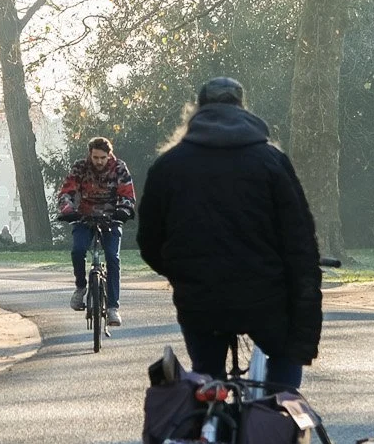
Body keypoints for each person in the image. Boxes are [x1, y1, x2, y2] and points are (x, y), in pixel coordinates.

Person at [137, 77, 320, 391]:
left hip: (200, 298)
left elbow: (149, 242)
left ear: (197, 110)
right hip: (266, 299)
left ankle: (209, 427)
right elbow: (299, 239)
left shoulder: (168, 166)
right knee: (285, 359)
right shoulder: (271, 162)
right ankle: (278, 416)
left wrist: (183, 272)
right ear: (243, 108)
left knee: (207, 376)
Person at [58, 136, 135, 327]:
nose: (99, 161)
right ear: (90, 155)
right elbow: (67, 192)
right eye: (95, 157)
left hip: (111, 217)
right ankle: (81, 287)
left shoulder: (119, 168)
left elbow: (127, 194)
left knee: (112, 257)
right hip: (84, 217)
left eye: (102, 157)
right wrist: (68, 210)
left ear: (109, 155)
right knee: (78, 250)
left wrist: (123, 210)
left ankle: (112, 308)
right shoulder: (80, 167)